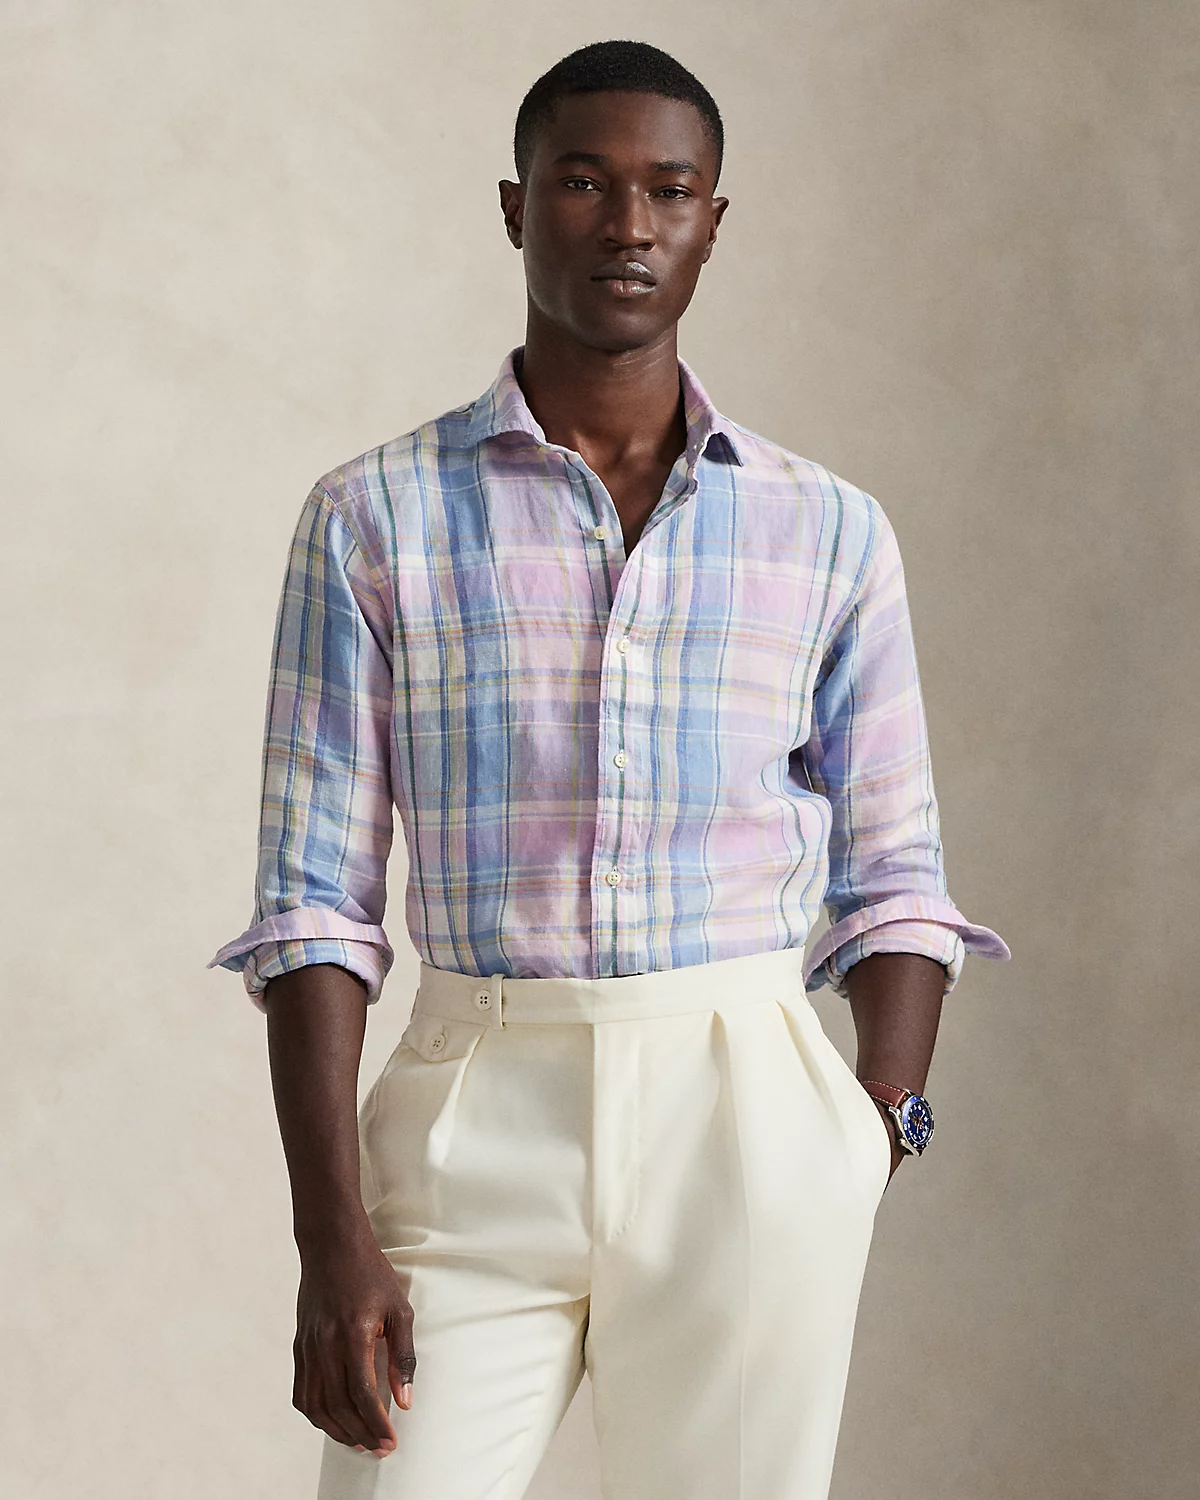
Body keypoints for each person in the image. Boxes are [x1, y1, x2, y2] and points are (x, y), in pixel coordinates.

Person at [209, 38, 1008, 1500]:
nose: (629, 223)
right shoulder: (374, 517)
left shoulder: (827, 531)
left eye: (670, 190)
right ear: (518, 209)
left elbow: (896, 871)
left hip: (746, 1115)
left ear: (713, 221)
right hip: (473, 1104)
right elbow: (313, 899)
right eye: (585, 183)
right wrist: (330, 1233)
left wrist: (869, 1126)